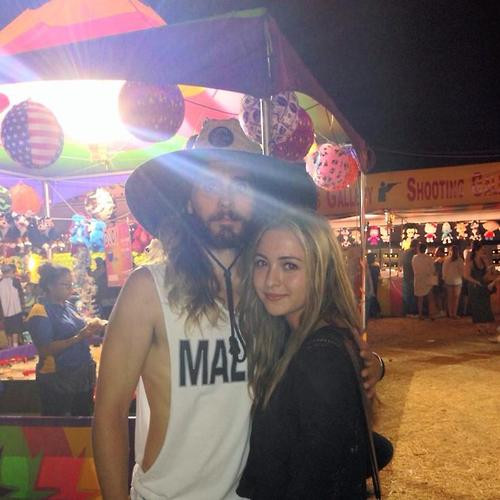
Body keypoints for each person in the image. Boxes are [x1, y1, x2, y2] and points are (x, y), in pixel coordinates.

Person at [92, 118, 386, 499]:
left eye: (240, 186)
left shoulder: (268, 291)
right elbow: (110, 413)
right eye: (210, 185)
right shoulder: (149, 289)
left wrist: (369, 365)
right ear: (188, 200)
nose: (226, 200)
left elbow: (313, 356)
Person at [237, 210, 382, 499]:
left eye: (289, 266)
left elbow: (317, 480)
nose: (271, 281)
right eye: (262, 263)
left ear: (322, 272)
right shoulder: (293, 336)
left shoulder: (320, 356)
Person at [27, 263, 106, 416]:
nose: (70, 289)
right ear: (50, 286)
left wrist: (93, 326)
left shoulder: (68, 306)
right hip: (58, 379)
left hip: (81, 376)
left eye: (71, 284)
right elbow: (45, 349)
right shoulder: (40, 311)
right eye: (65, 285)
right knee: (60, 423)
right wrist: (78, 337)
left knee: (83, 419)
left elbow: (79, 325)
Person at [464, 241, 496, 334]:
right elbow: (466, 275)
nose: (483, 251)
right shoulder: (470, 262)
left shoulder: (484, 261)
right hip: (474, 286)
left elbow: (486, 276)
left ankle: (486, 326)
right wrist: (476, 281)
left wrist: (489, 269)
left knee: (485, 305)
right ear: (477, 251)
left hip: (483, 285)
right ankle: (479, 327)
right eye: (482, 249)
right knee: (477, 306)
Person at [0, 263, 25, 347]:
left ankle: (10, 348)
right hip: (16, 311)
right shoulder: (15, 281)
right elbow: (21, 296)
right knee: (15, 331)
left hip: (4, 313)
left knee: (8, 332)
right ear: (10, 271)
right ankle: (15, 347)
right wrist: (23, 309)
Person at [412, 242, 436, 320]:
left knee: (420, 298)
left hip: (418, 279)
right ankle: (431, 314)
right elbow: (433, 269)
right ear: (425, 249)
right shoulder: (429, 258)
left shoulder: (414, 258)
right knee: (430, 297)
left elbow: (414, 268)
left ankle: (420, 314)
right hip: (428, 279)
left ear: (418, 249)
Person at [442, 245, 464, 319]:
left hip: (449, 280)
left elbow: (444, 271)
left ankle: (450, 313)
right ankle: (454, 313)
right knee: (456, 298)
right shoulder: (460, 260)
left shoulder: (447, 260)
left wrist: (444, 279)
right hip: (457, 280)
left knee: (450, 298)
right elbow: (462, 271)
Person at [401, 239, 418, 317]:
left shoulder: (405, 252)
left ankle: (406, 311)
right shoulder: (413, 253)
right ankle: (412, 312)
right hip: (411, 276)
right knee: (412, 295)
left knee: (407, 295)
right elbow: (413, 265)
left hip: (406, 276)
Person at [432, 246, 447, 317]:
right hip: (444, 279)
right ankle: (444, 310)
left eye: (437, 251)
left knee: (438, 295)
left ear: (441, 252)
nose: (435, 252)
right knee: (443, 296)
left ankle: (441, 310)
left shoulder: (438, 261)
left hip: (439, 280)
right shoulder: (446, 260)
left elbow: (436, 271)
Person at [367, 252, 381, 318]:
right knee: (373, 296)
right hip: (375, 283)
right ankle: (375, 312)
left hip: (369, 284)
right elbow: (379, 275)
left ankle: (374, 312)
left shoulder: (368, 267)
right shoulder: (376, 267)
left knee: (371, 297)